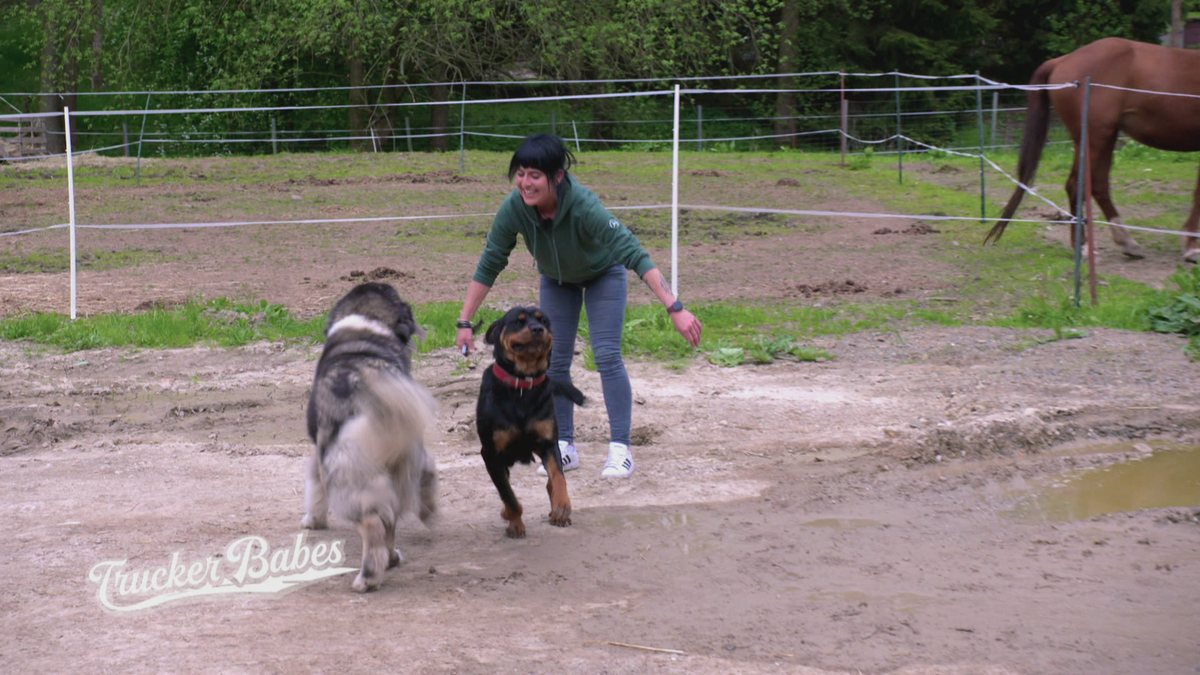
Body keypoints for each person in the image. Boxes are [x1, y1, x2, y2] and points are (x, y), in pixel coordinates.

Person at [456, 133, 702, 479]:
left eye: (535, 175)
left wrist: (675, 307)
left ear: (556, 176)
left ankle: (620, 449)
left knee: (606, 355)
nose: (525, 183)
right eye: (521, 174)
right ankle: (563, 447)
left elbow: (634, 253)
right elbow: (490, 262)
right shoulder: (514, 208)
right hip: (558, 281)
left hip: (604, 274)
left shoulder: (584, 205)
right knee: (551, 360)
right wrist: (465, 321)